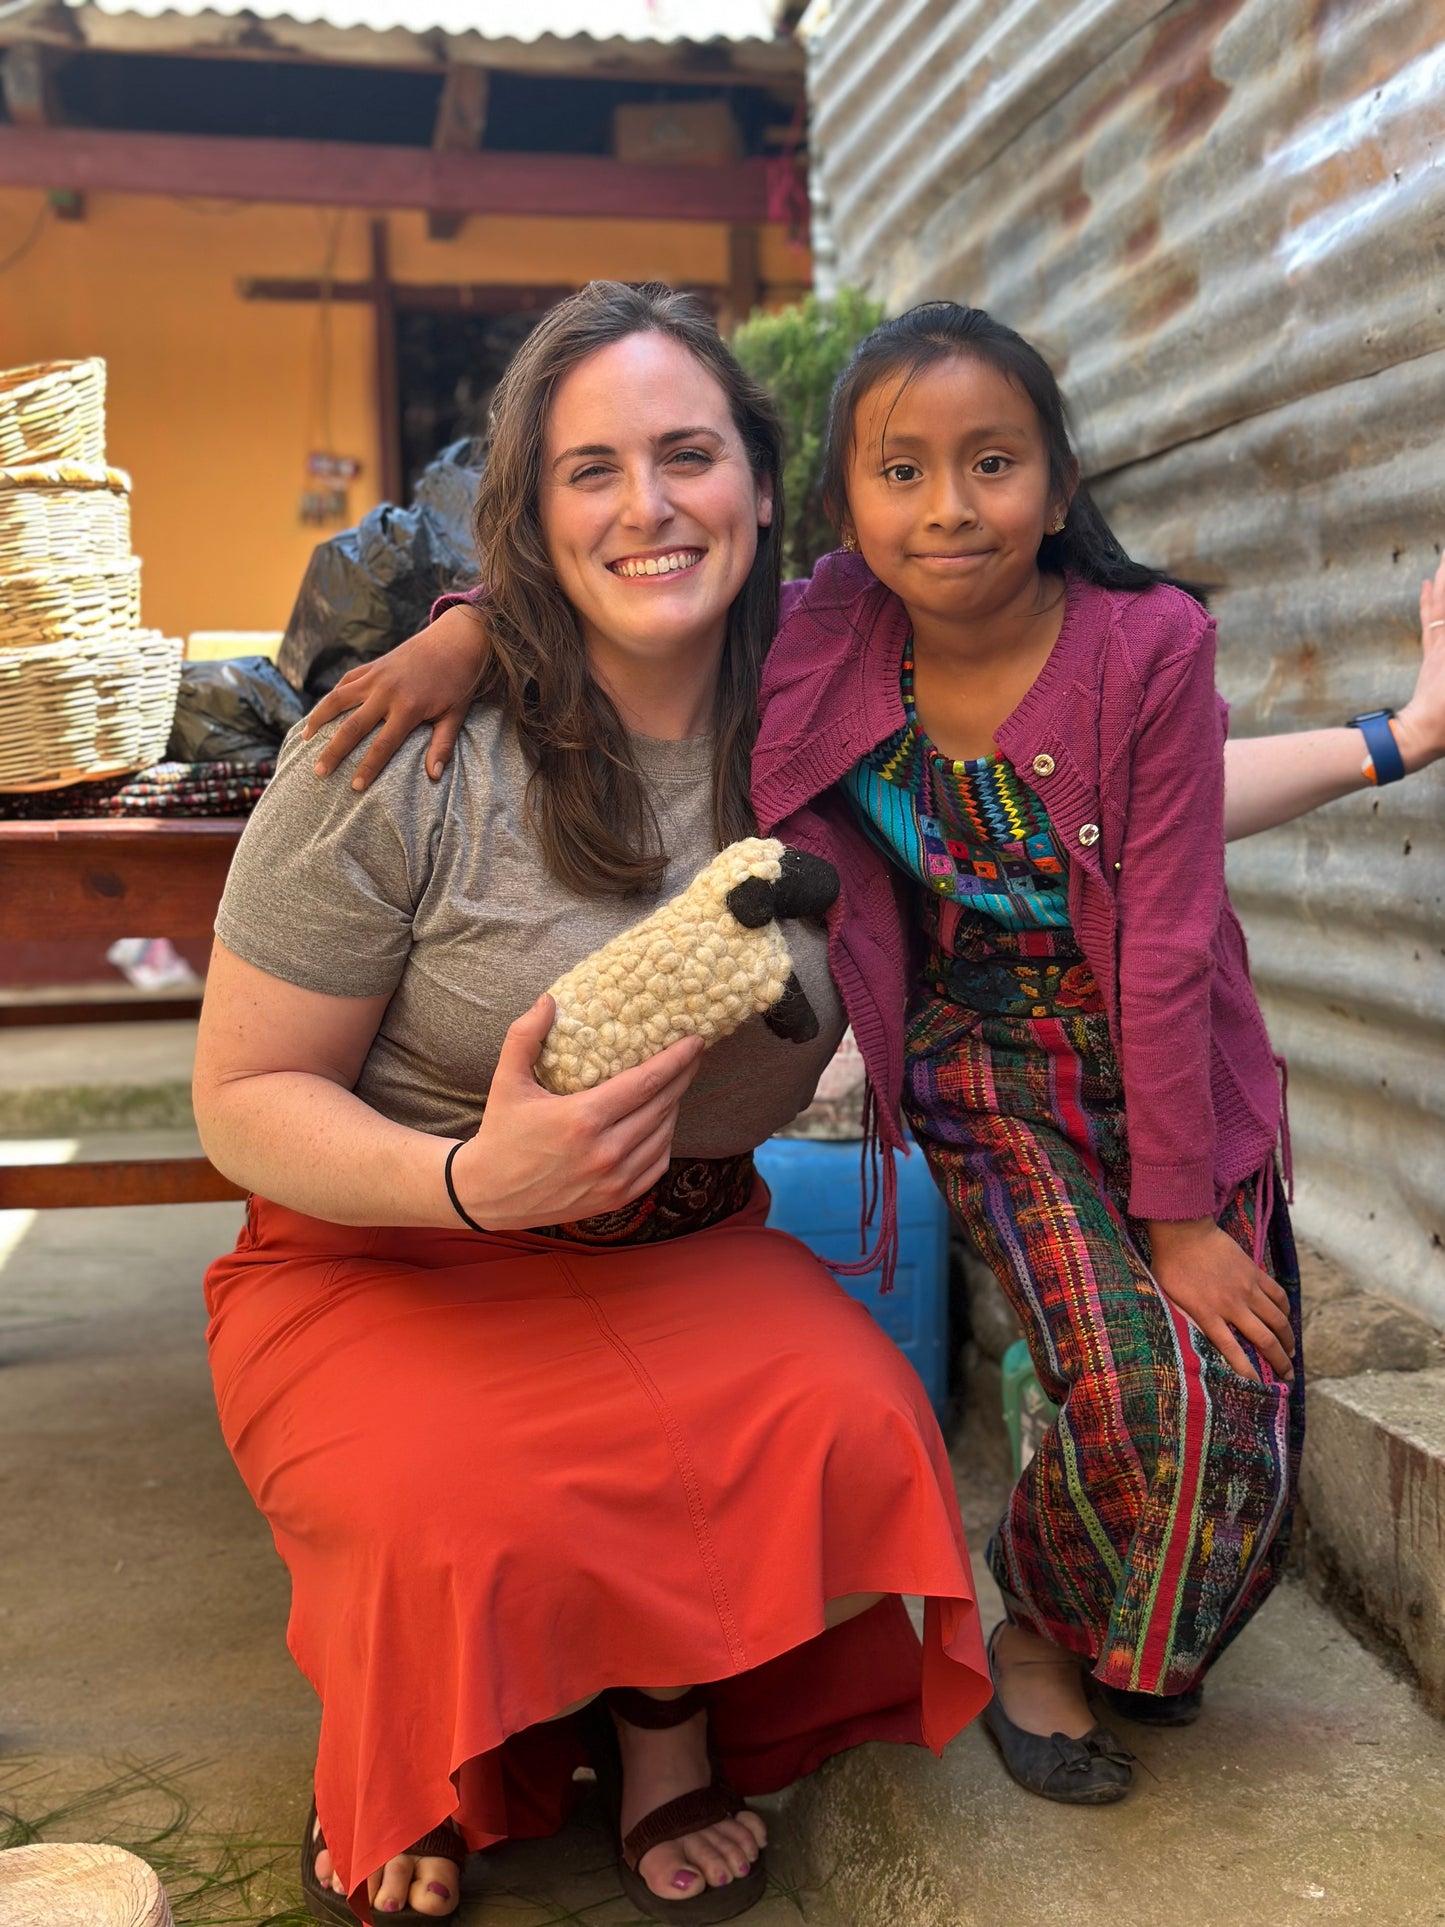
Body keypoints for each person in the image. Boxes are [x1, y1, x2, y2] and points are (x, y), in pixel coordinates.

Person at [308, 296, 1445, 1812]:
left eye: (993, 463)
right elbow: (608, 575)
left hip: (1180, 1068)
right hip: (986, 1066)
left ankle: (1116, 1619)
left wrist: (1401, 737)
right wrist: (460, 636)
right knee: (1140, 1397)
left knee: (1242, 1434)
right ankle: (1034, 1625)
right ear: (836, 502)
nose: (948, 506)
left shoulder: (1148, 644)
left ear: (1056, 483)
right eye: (897, 471)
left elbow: (1164, 924)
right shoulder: (831, 623)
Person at [192, 283, 991, 1927]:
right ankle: (412, 1741)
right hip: (391, 1252)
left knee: (847, 1416)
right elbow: (245, 1093)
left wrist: (1389, 735)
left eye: (687, 455)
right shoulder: (397, 753)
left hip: (678, 1240)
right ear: (528, 519)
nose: (646, 507)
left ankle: (657, 1717)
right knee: (445, 1505)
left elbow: (1092, 706)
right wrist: (481, 1181)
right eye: (589, 473)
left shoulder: (839, 706)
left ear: (767, 492)